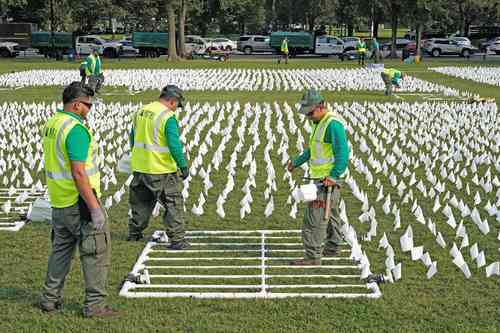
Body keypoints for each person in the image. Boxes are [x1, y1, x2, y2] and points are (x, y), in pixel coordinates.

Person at [38, 82, 116, 318]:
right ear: (76, 104)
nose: (89, 110)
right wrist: (94, 208)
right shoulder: (76, 129)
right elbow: (79, 172)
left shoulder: (52, 124)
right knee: (95, 252)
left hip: (59, 201)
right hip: (79, 203)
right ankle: (95, 306)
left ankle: (49, 299)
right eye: (87, 105)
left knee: (60, 252)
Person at [287, 89, 350, 266]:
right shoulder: (319, 122)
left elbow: (343, 153)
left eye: (310, 112)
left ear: (321, 106)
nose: (308, 116)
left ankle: (312, 256)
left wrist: (334, 175)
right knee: (331, 214)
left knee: (314, 218)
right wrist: (297, 162)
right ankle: (333, 246)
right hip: (321, 178)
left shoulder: (332, 125)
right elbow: (313, 149)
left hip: (326, 180)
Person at [127, 85, 190, 250]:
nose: (176, 109)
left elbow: (132, 137)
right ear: (172, 101)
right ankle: (177, 240)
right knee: (173, 203)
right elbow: (174, 145)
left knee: (140, 202)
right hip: (161, 169)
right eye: (177, 105)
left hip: (140, 167)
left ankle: (134, 233)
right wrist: (183, 166)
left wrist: (136, 157)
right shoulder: (167, 117)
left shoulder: (141, 111)